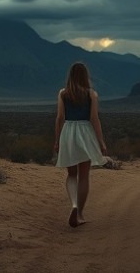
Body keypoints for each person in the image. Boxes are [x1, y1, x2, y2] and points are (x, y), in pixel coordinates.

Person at [54, 61, 108, 227]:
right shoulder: (92, 94)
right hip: (85, 132)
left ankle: (74, 205)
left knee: (71, 174)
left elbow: (60, 118)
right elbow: (94, 119)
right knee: (84, 176)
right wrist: (101, 142)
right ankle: (80, 214)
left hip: (68, 132)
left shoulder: (63, 93)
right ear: (85, 76)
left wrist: (56, 141)